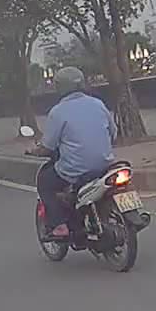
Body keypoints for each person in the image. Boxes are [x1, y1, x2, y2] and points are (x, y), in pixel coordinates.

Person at [26, 67, 117, 240]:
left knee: (44, 181)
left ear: (59, 87)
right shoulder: (98, 104)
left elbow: (48, 147)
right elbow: (114, 133)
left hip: (75, 169)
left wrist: (34, 151)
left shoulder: (57, 112)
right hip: (105, 165)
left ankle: (59, 225)